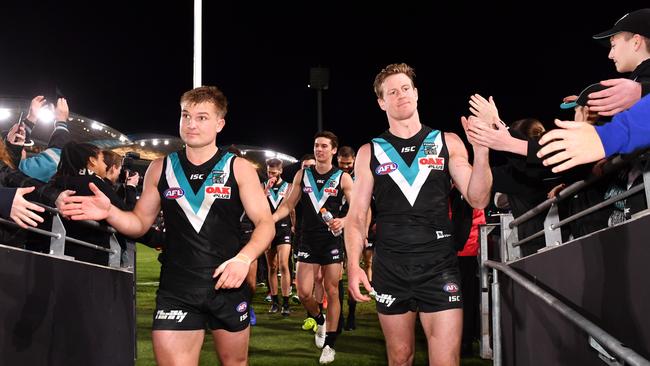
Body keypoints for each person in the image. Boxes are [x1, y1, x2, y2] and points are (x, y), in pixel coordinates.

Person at [60, 86, 274, 366]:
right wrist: (110, 211)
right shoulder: (161, 168)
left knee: (234, 362)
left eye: (202, 117)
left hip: (227, 284)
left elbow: (265, 224)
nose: (191, 124)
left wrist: (243, 260)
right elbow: (138, 223)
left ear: (220, 123)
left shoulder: (238, 168)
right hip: (178, 287)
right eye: (186, 115)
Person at [345, 63, 491, 366]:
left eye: (406, 88)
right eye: (392, 92)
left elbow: (478, 197)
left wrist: (482, 150)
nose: (401, 95)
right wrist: (354, 266)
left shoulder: (447, 141)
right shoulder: (369, 151)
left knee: (446, 360)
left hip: (440, 266)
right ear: (382, 102)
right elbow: (357, 217)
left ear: (417, 93)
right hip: (391, 268)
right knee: (400, 358)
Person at [272, 131, 353, 364]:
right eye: (317, 145)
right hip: (307, 240)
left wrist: (344, 221)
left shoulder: (342, 178)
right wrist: (272, 218)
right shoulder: (302, 175)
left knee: (333, 290)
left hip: (331, 241)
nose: (319, 150)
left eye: (324, 146)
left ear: (334, 150)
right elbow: (288, 204)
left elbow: (357, 207)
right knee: (304, 292)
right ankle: (319, 320)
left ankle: (330, 345)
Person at [263, 158, 293, 316]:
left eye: (274, 172)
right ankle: (275, 301)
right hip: (267, 231)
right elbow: (257, 205)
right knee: (272, 267)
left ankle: (286, 303)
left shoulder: (288, 187)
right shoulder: (263, 186)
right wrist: (266, 189)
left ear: (280, 171)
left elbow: (291, 208)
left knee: (283, 264)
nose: (271, 175)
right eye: (268, 172)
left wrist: (294, 226)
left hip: (283, 229)